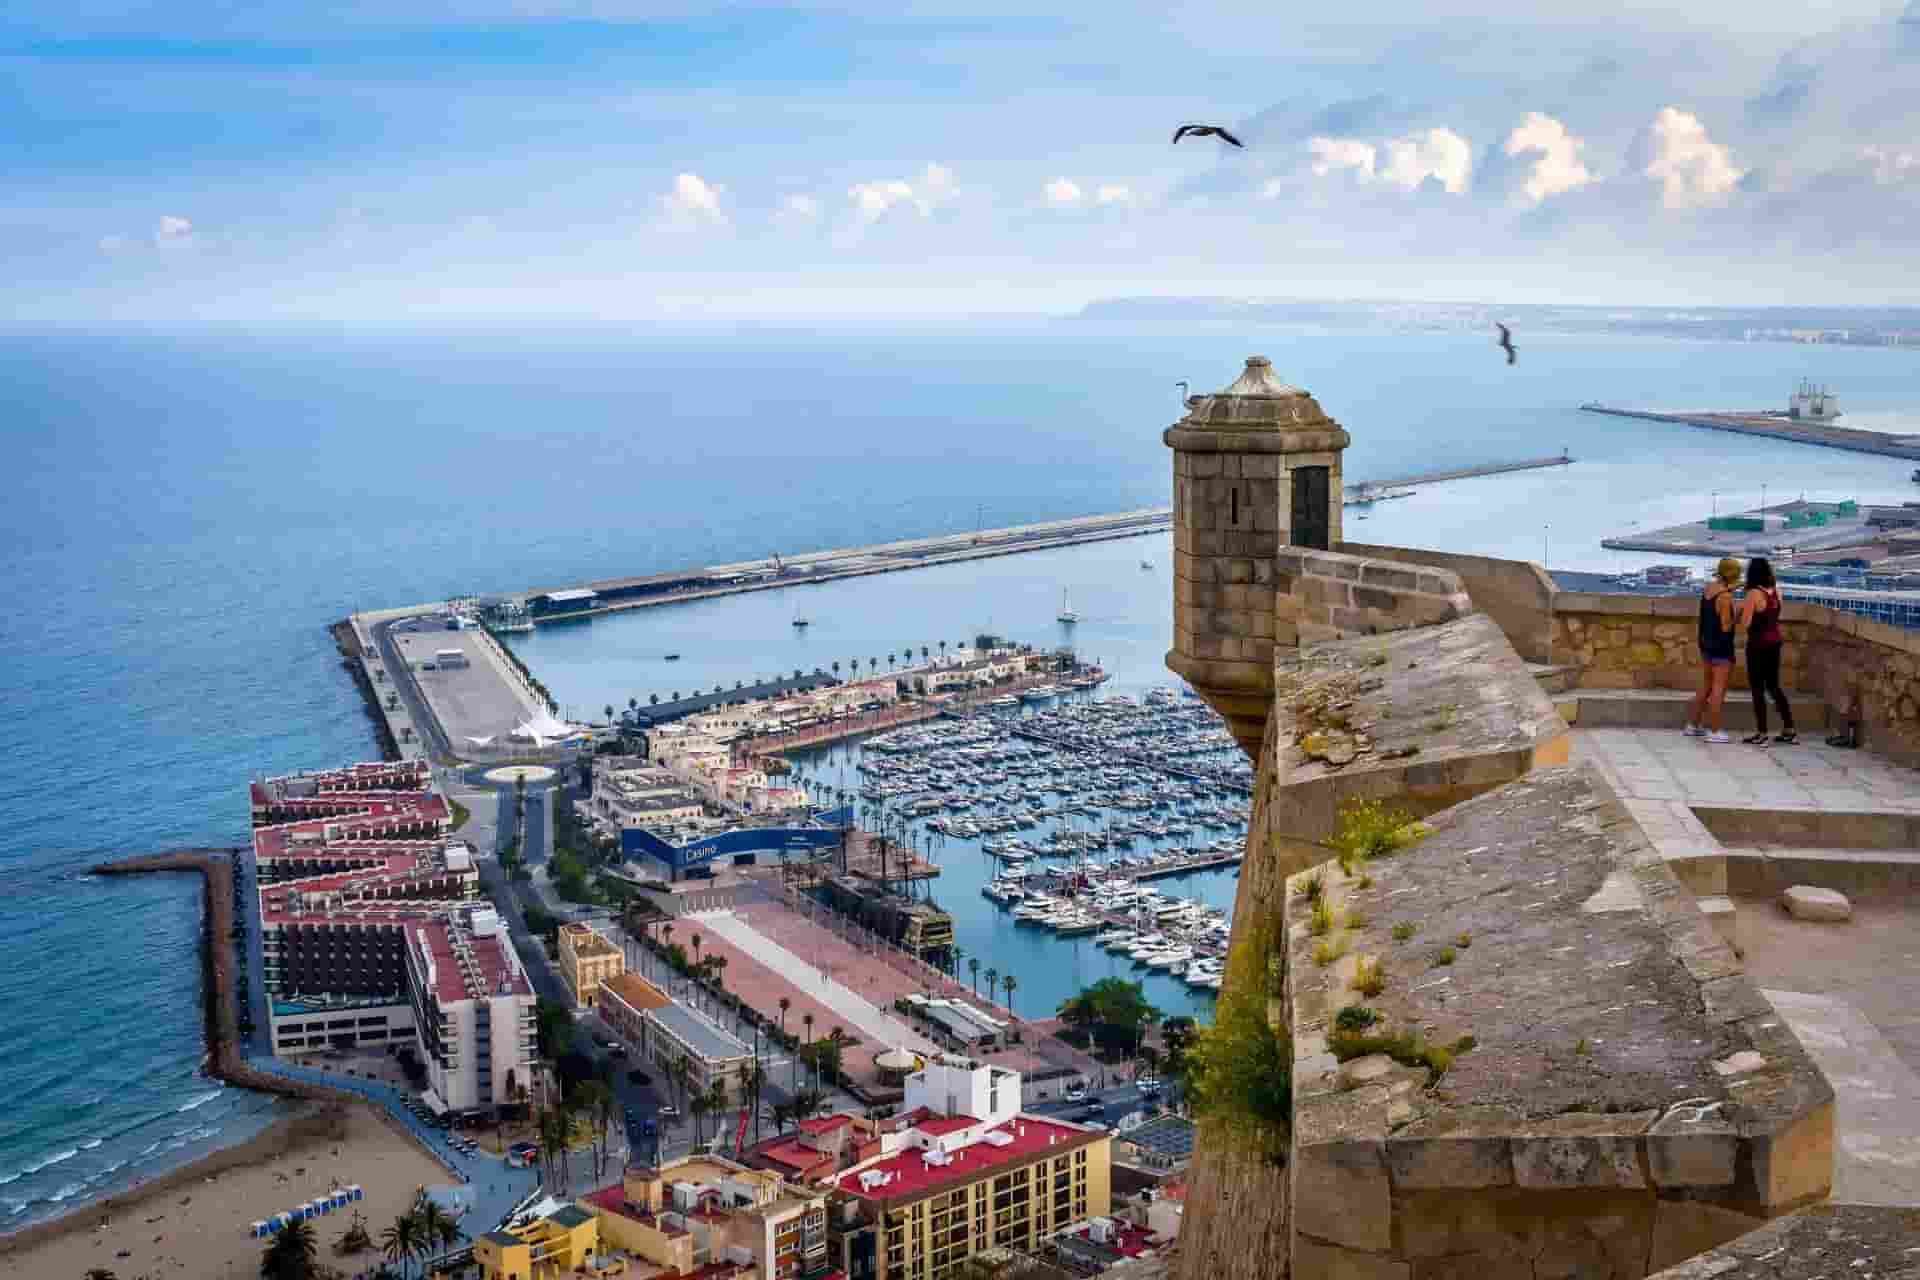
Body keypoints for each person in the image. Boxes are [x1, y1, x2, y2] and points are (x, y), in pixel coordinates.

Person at [1739, 557, 1797, 744]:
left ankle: (1762, 732)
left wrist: (1741, 612)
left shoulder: (1753, 594)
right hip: (1775, 643)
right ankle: (1789, 727)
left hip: (1757, 645)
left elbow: (1746, 623)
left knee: (1757, 688)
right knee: (1774, 686)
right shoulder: (1776, 592)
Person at [1686, 558, 1741, 742]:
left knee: (1705, 686)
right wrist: (1737, 616)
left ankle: (1692, 725)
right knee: (1718, 689)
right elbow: (1726, 627)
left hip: (1706, 644)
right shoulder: (1725, 597)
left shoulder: (1710, 589)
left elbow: (1722, 591)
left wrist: (1736, 586)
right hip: (1721, 648)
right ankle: (1715, 730)